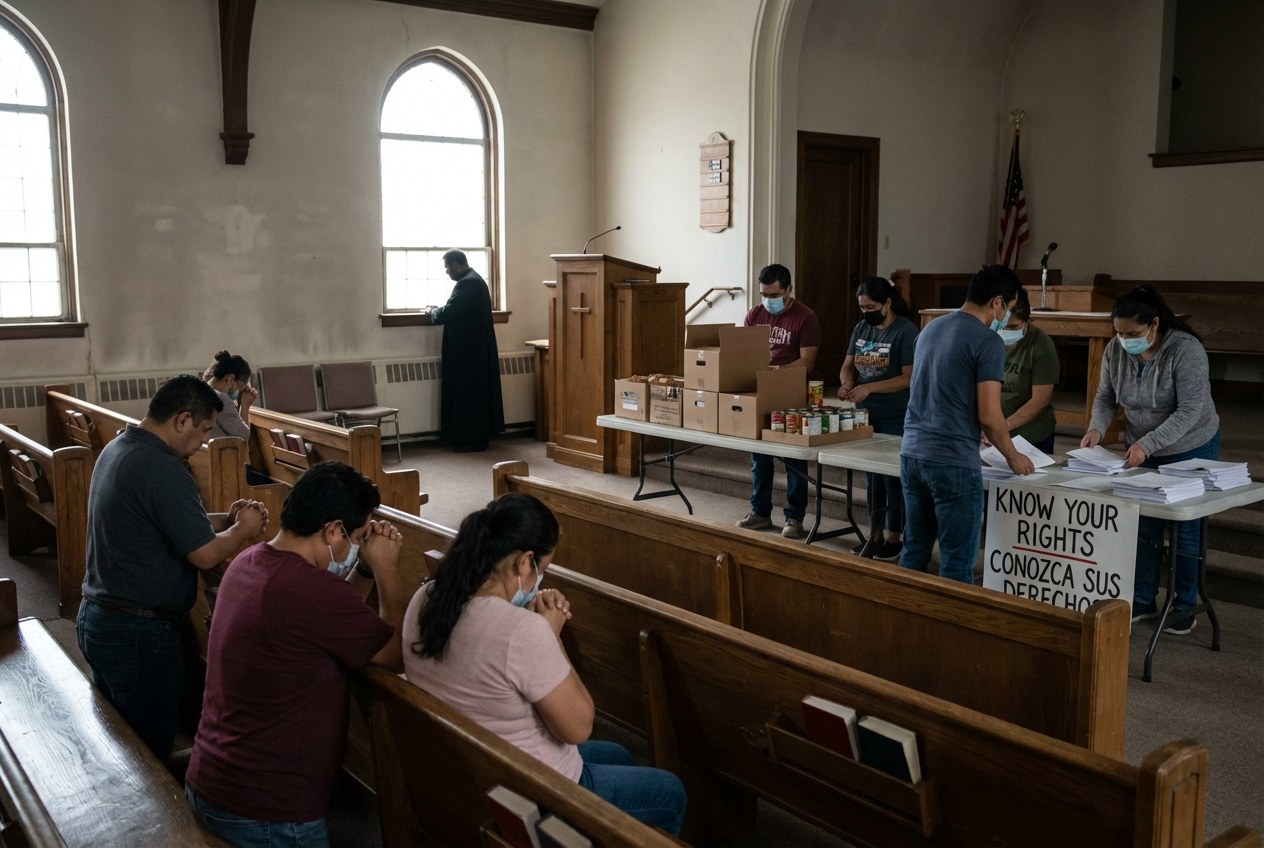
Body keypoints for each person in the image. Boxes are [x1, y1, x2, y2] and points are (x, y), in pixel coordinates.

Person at [403, 493, 687, 836]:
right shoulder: (522, 631)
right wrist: (549, 634)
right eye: (544, 568)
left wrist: (532, 626)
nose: (540, 579)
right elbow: (578, 727)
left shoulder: (428, 596)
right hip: (533, 791)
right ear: (524, 562)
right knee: (670, 791)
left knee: (618, 754)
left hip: (464, 768)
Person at [185, 461, 407, 847]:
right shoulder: (311, 590)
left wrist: (365, 572)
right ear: (332, 530)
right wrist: (386, 569)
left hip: (213, 781)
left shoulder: (248, 561)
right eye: (354, 537)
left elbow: (334, 617)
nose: (356, 547)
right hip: (269, 814)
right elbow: (395, 654)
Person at [76, 375, 267, 761]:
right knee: (145, 758)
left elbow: (164, 520)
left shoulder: (120, 447)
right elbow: (205, 556)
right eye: (203, 431)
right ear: (181, 420)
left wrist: (223, 519)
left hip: (100, 616)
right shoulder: (164, 468)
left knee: (123, 740)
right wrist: (243, 530)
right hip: (137, 632)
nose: (203, 443)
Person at [1082, 285, 1220, 634]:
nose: (1124, 340)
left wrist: (1149, 444)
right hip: (1141, 447)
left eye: (1132, 333)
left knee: (1186, 529)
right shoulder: (1116, 349)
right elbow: (1105, 397)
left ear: (1154, 324)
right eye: (1118, 333)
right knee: (1142, 525)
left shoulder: (1185, 350)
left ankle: (1184, 603)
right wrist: (1096, 430)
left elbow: (1190, 410)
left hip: (1190, 446)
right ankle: (1143, 597)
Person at [899, 265, 1035, 583]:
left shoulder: (930, 329)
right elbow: (989, 414)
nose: (1008, 316)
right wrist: (1013, 455)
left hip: (912, 453)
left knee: (914, 550)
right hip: (953, 461)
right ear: (997, 302)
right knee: (957, 563)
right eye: (1010, 308)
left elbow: (937, 392)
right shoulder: (988, 341)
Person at [737, 263, 821, 539]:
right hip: (760, 392)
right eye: (764, 294)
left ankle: (794, 518)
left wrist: (776, 373)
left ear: (788, 290)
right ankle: (760, 512)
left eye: (774, 295)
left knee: (794, 460)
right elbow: (746, 353)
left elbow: (807, 362)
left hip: (791, 393)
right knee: (759, 458)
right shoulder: (754, 314)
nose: (768, 301)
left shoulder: (805, 317)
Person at [838, 277, 918, 560]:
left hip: (897, 414)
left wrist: (869, 386)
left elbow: (908, 378)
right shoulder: (862, 328)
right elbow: (848, 365)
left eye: (870, 306)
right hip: (867, 415)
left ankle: (895, 536)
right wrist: (847, 382)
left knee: (893, 478)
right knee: (873, 478)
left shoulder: (905, 332)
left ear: (887, 303)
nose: (865, 312)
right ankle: (874, 534)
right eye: (861, 307)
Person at [427, 249, 505, 453]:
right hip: (473, 348)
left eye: (447, 268)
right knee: (472, 395)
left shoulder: (468, 282)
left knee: (469, 396)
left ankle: (473, 439)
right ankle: (468, 437)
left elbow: (451, 311)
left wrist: (432, 312)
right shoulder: (473, 280)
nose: (447, 273)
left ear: (455, 265)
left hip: (470, 351)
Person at [997, 288, 1060, 453]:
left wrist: (1002, 428)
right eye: (1003, 326)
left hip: (1030, 436)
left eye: (1014, 327)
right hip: (989, 432)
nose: (1007, 331)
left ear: (1027, 321)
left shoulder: (1041, 345)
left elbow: (1040, 401)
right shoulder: (986, 338)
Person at [203, 350, 257, 441]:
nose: (237, 392)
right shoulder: (221, 398)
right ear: (230, 378)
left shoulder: (201, 389)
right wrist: (245, 406)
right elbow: (243, 437)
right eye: (239, 388)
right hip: (217, 453)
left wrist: (239, 403)